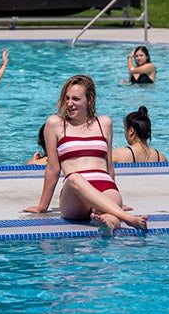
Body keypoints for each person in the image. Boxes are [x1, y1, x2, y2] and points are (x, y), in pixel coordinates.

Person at [23, 74, 148, 235]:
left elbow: (108, 165)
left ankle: (108, 225)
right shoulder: (55, 124)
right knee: (75, 177)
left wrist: (115, 199)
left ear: (89, 100)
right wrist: (42, 206)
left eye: (76, 99)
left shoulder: (104, 123)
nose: (69, 103)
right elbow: (53, 169)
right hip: (74, 194)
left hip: (104, 186)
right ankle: (129, 219)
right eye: (67, 98)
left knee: (109, 217)